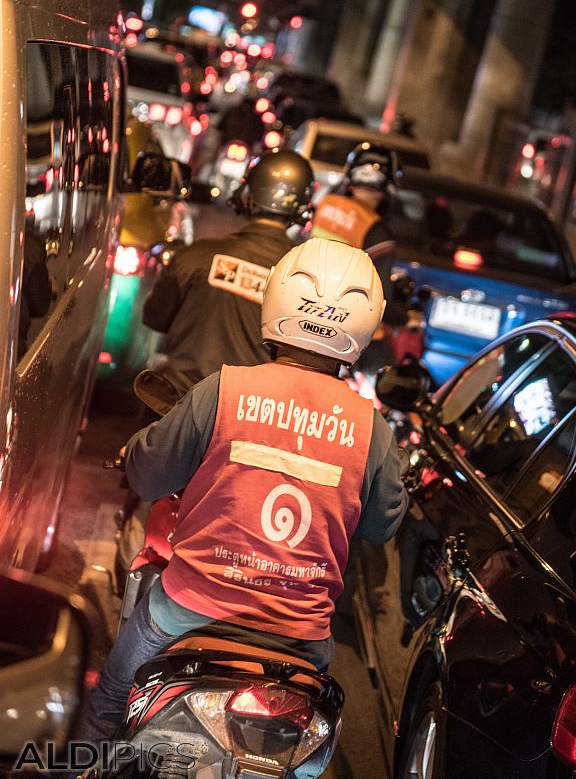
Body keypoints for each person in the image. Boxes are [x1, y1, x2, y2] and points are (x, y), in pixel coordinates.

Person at [77, 237, 409, 743]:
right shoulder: (372, 428)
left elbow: (148, 475)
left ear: (276, 299)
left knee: (108, 704)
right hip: (301, 639)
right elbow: (383, 523)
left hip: (190, 609)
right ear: (364, 325)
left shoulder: (224, 389)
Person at [143, 149, 315, 396]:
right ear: (303, 208)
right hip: (249, 415)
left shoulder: (196, 255)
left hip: (180, 400)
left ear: (246, 194)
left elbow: (154, 317)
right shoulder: (306, 283)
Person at [310, 142, 404, 373]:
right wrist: (403, 317)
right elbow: (382, 299)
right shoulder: (377, 232)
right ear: (390, 184)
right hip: (343, 324)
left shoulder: (324, 205)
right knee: (387, 378)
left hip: (303, 306)